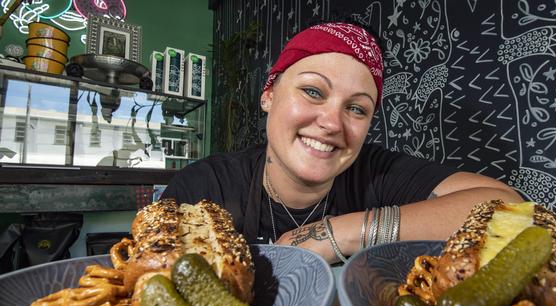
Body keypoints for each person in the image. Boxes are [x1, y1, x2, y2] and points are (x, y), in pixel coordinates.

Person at [162, 21, 522, 264]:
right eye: (312, 91)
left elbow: (508, 206)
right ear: (269, 94)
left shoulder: (377, 171)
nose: (332, 123)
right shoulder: (203, 187)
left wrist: (336, 234)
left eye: (356, 108)